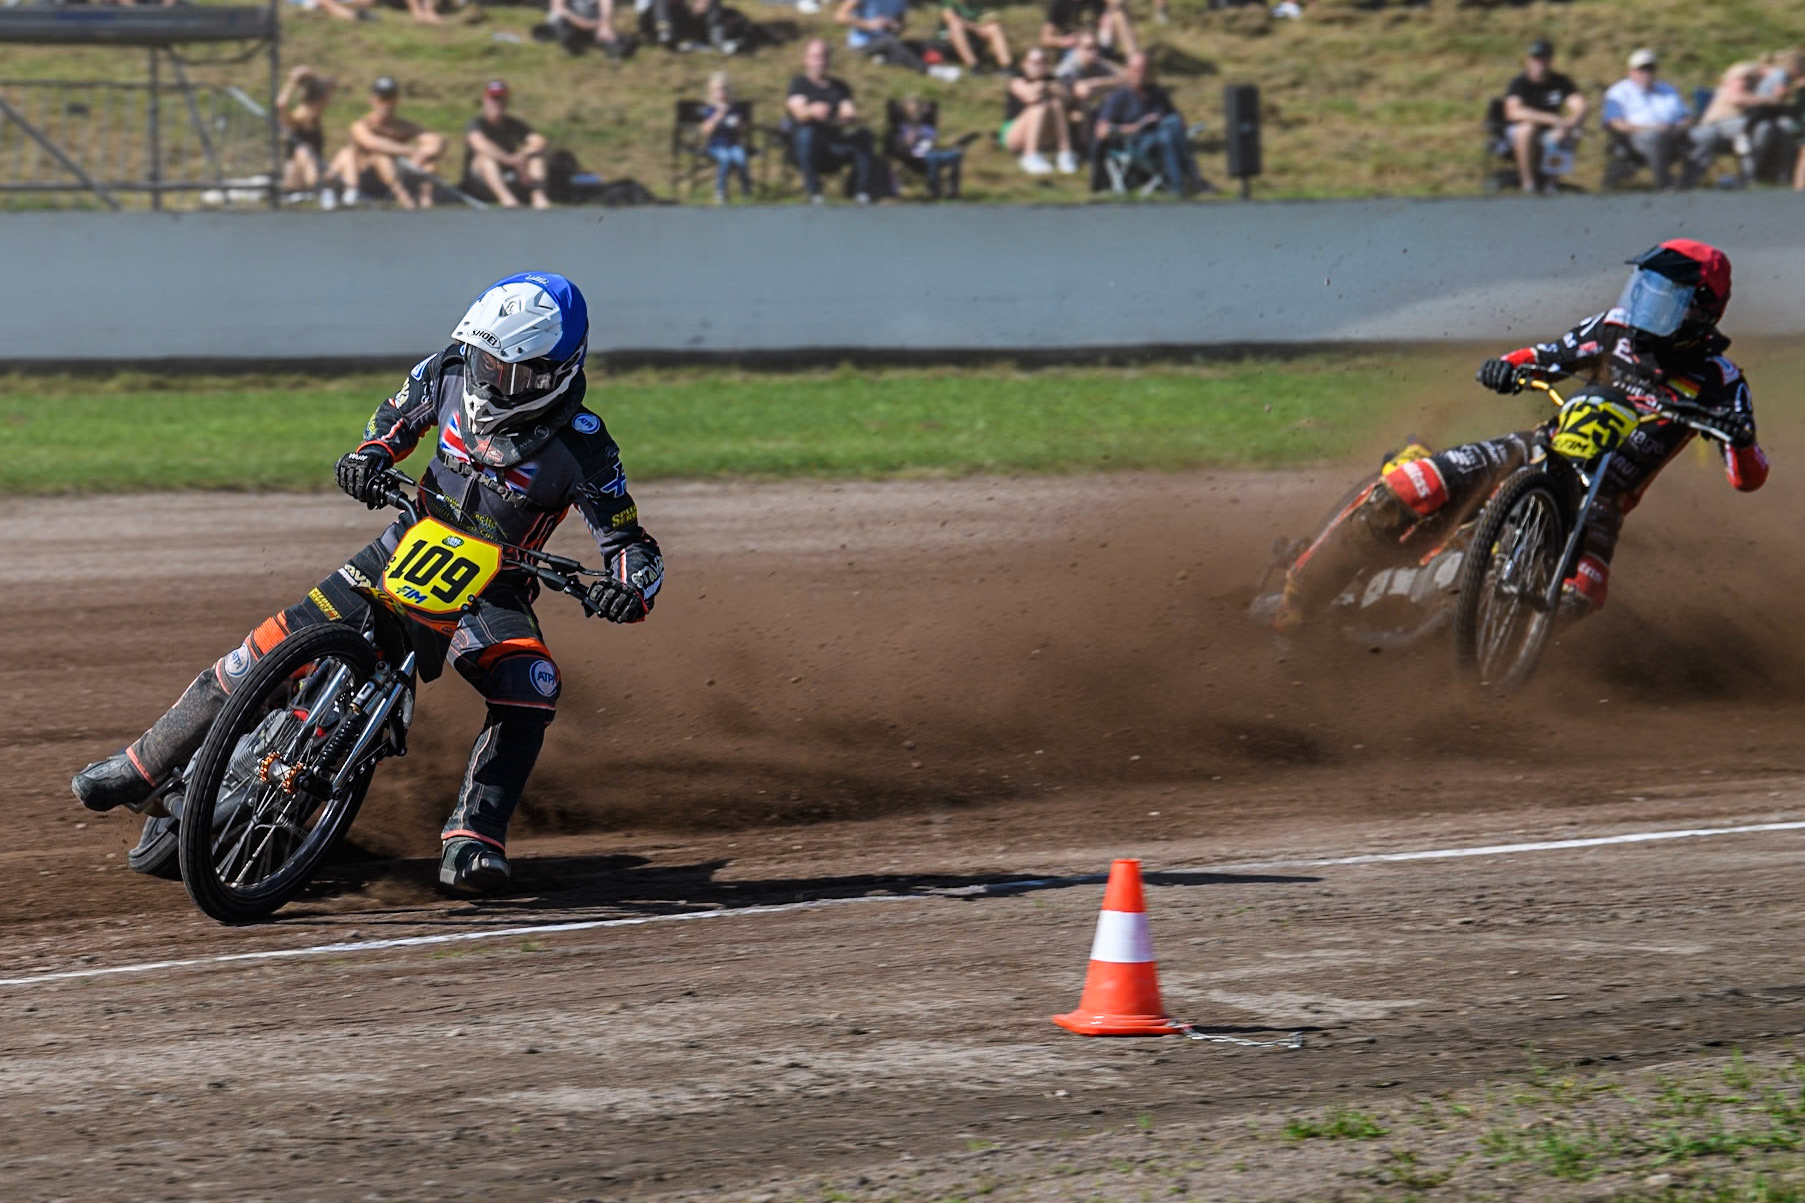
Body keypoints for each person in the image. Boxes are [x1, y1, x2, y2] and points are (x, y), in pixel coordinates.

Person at [71, 273, 665, 896]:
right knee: (269, 644)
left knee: (532, 685)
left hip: (493, 590)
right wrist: (371, 456)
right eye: (486, 358)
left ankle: (474, 837)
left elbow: (629, 543)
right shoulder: (452, 369)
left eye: (507, 369)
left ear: (552, 372)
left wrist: (625, 587)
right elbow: (394, 419)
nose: (489, 376)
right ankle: (141, 764)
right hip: (402, 544)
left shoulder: (586, 448)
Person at [1261, 240, 1767, 634]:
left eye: (1665, 298)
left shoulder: (1722, 382)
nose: (1646, 305)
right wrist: (1504, 368)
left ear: (1701, 311)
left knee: (1581, 595)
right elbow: (1541, 356)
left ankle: (1485, 653)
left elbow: (1748, 480)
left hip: (1603, 499)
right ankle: (1298, 600)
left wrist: (1740, 440)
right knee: (1412, 485)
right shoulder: (1612, 330)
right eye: (1645, 289)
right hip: (1535, 451)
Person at [325, 76, 447, 210]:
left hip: (393, 178)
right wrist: (411, 151)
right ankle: (404, 199)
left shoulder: (402, 126)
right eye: (381, 99)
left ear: (396, 100)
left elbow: (436, 141)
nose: (385, 104)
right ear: (372, 100)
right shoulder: (361, 125)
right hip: (364, 178)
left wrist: (424, 154)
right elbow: (374, 144)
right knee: (381, 157)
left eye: (390, 98)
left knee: (430, 164)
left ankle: (426, 204)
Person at [1094, 52, 1200, 195]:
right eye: (1136, 69)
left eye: (1144, 69)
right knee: (1169, 131)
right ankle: (1188, 180)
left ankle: (1180, 184)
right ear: (1128, 71)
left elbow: (1178, 120)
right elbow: (1101, 131)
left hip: (1163, 139)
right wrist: (1136, 126)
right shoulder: (1119, 97)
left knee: (1170, 128)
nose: (1141, 74)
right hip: (1137, 143)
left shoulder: (1158, 94)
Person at [785, 38, 878, 203]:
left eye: (823, 57)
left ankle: (860, 191)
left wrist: (846, 116)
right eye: (815, 57)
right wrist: (812, 111)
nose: (819, 61)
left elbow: (848, 110)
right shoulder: (799, 84)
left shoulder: (840, 87)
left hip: (832, 143)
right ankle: (814, 192)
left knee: (864, 135)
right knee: (808, 132)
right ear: (806, 59)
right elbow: (798, 111)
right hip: (806, 148)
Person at [1502, 39, 1586, 194]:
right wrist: (1550, 118)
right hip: (1522, 132)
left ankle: (1551, 183)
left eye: (1543, 57)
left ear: (1550, 59)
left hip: (1551, 132)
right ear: (1529, 60)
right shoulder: (1520, 83)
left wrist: (1570, 123)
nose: (1539, 62)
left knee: (1571, 133)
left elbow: (1579, 105)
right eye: (1535, 58)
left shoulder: (1560, 82)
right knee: (1526, 129)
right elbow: (1513, 111)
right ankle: (1528, 183)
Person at [1603, 48, 1692, 189]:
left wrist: (1680, 126)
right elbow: (1616, 123)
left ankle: (1688, 183)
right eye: (1641, 69)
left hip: (1674, 133)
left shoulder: (1668, 90)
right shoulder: (1618, 92)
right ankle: (1664, 184)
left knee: (1703, 136)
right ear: (1630, 72)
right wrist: (1653, 128)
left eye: (1650, 69)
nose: (1646, 73)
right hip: (1635, 136)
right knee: (1653, 137)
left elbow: (1686, 117)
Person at [461, 80, 551, 210]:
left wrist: (524, 155)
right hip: (481, 180)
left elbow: (539, 141)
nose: (497, 103)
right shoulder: (476, 123)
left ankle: (539, 198)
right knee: (485, 158)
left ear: (506, 101)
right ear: (485, 100)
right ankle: (508, 200)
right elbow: (479, 144)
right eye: (493, 98)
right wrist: (509, 159)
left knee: (536, 158)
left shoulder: (513, 123)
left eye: (501, 99)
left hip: (511, 174)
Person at [1684, 60, 1773, 188]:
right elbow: (1736, 98)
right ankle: (1749, 177)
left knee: (1754, 132)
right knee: (1750, 129)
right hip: (1719, 123)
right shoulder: (1738, 75)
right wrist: (1767, 100)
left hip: (1736, 127)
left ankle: (1754, 177)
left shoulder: (1755, 85)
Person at [1003, 47, 1079, 176]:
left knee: (1056, 103)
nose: (1038, 66)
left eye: (1042, 62)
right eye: (1033, 62)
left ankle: (1065, 152)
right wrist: (1045, 87)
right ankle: (1030, 155)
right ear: (1024, 64)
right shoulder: (1018, 79)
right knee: (1039, 105)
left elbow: (1067, 97)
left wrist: (1046, 87)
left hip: (1043, 133)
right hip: (1014, 133)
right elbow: (1029, 96)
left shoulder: (1052, 79)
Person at [276, 66, 334, 204]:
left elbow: (332, 83)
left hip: (315, 173)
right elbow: (281, 103)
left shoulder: (316, 119)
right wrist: (292, 81)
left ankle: (346, 192)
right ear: (308, 102)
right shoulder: (294, 122)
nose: (323, 105)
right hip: (295, 179)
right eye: (320, 103)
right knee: (304, 150)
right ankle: (320, 190)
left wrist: (312, 75)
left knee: (346, 154)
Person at [894, 93, 965, 199]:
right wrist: (906, 141)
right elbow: (899, 146)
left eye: (918, 109)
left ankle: (953, 189)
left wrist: (936, 143)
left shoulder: (927, 128)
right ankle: (934, 190)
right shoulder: (902, 127)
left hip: (932, 153)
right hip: (914, 157)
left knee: (956, 154)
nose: (916, 113)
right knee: (932, 157)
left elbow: (934, 143)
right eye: (912, 110)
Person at [700, 72, 754, 203]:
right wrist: (718, 116)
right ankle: (720, 190)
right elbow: (705, 130)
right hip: (715, 146)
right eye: (717, 90)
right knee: (725, 158)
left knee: (741, 157)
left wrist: (737, 124)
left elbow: (741, 128)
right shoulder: (710, 109)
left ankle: (746, 189)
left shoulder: (733, 108)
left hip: (733, 144)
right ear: (712, 92)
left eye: (724, 89)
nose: (721, 93)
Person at [1041, 0, 1135, 62]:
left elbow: (1119, 2)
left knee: (1119, 14)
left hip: (1098, 46)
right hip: (1074, 51)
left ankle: (1133, 59)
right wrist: (1064, 41)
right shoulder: (1060, 4)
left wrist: (1108, 13)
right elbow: (1046, 38)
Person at [940, 0, 1011, 74]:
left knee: (994, 27)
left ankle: (1006, 66)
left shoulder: (974, 3)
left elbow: (984, 20)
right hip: (950, 44)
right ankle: (974, 66)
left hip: (972, 39)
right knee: (955, 25)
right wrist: (975, 27)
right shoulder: (948, 2)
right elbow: (950, 18)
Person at [540, 0, 627, 58]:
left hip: (591, 19)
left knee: (615, 42)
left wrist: (605, 25)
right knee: (563, 30)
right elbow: (559, 8)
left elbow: (606, 7)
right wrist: (584, 24)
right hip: (567, 18)